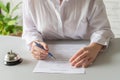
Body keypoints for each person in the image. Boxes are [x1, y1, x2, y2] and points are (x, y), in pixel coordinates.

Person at [22, 0, 114, 68]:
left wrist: (95, 47)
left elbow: (102, 29)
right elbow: (30, 29)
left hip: (85, 56)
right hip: (46, 57)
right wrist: (35, 43)